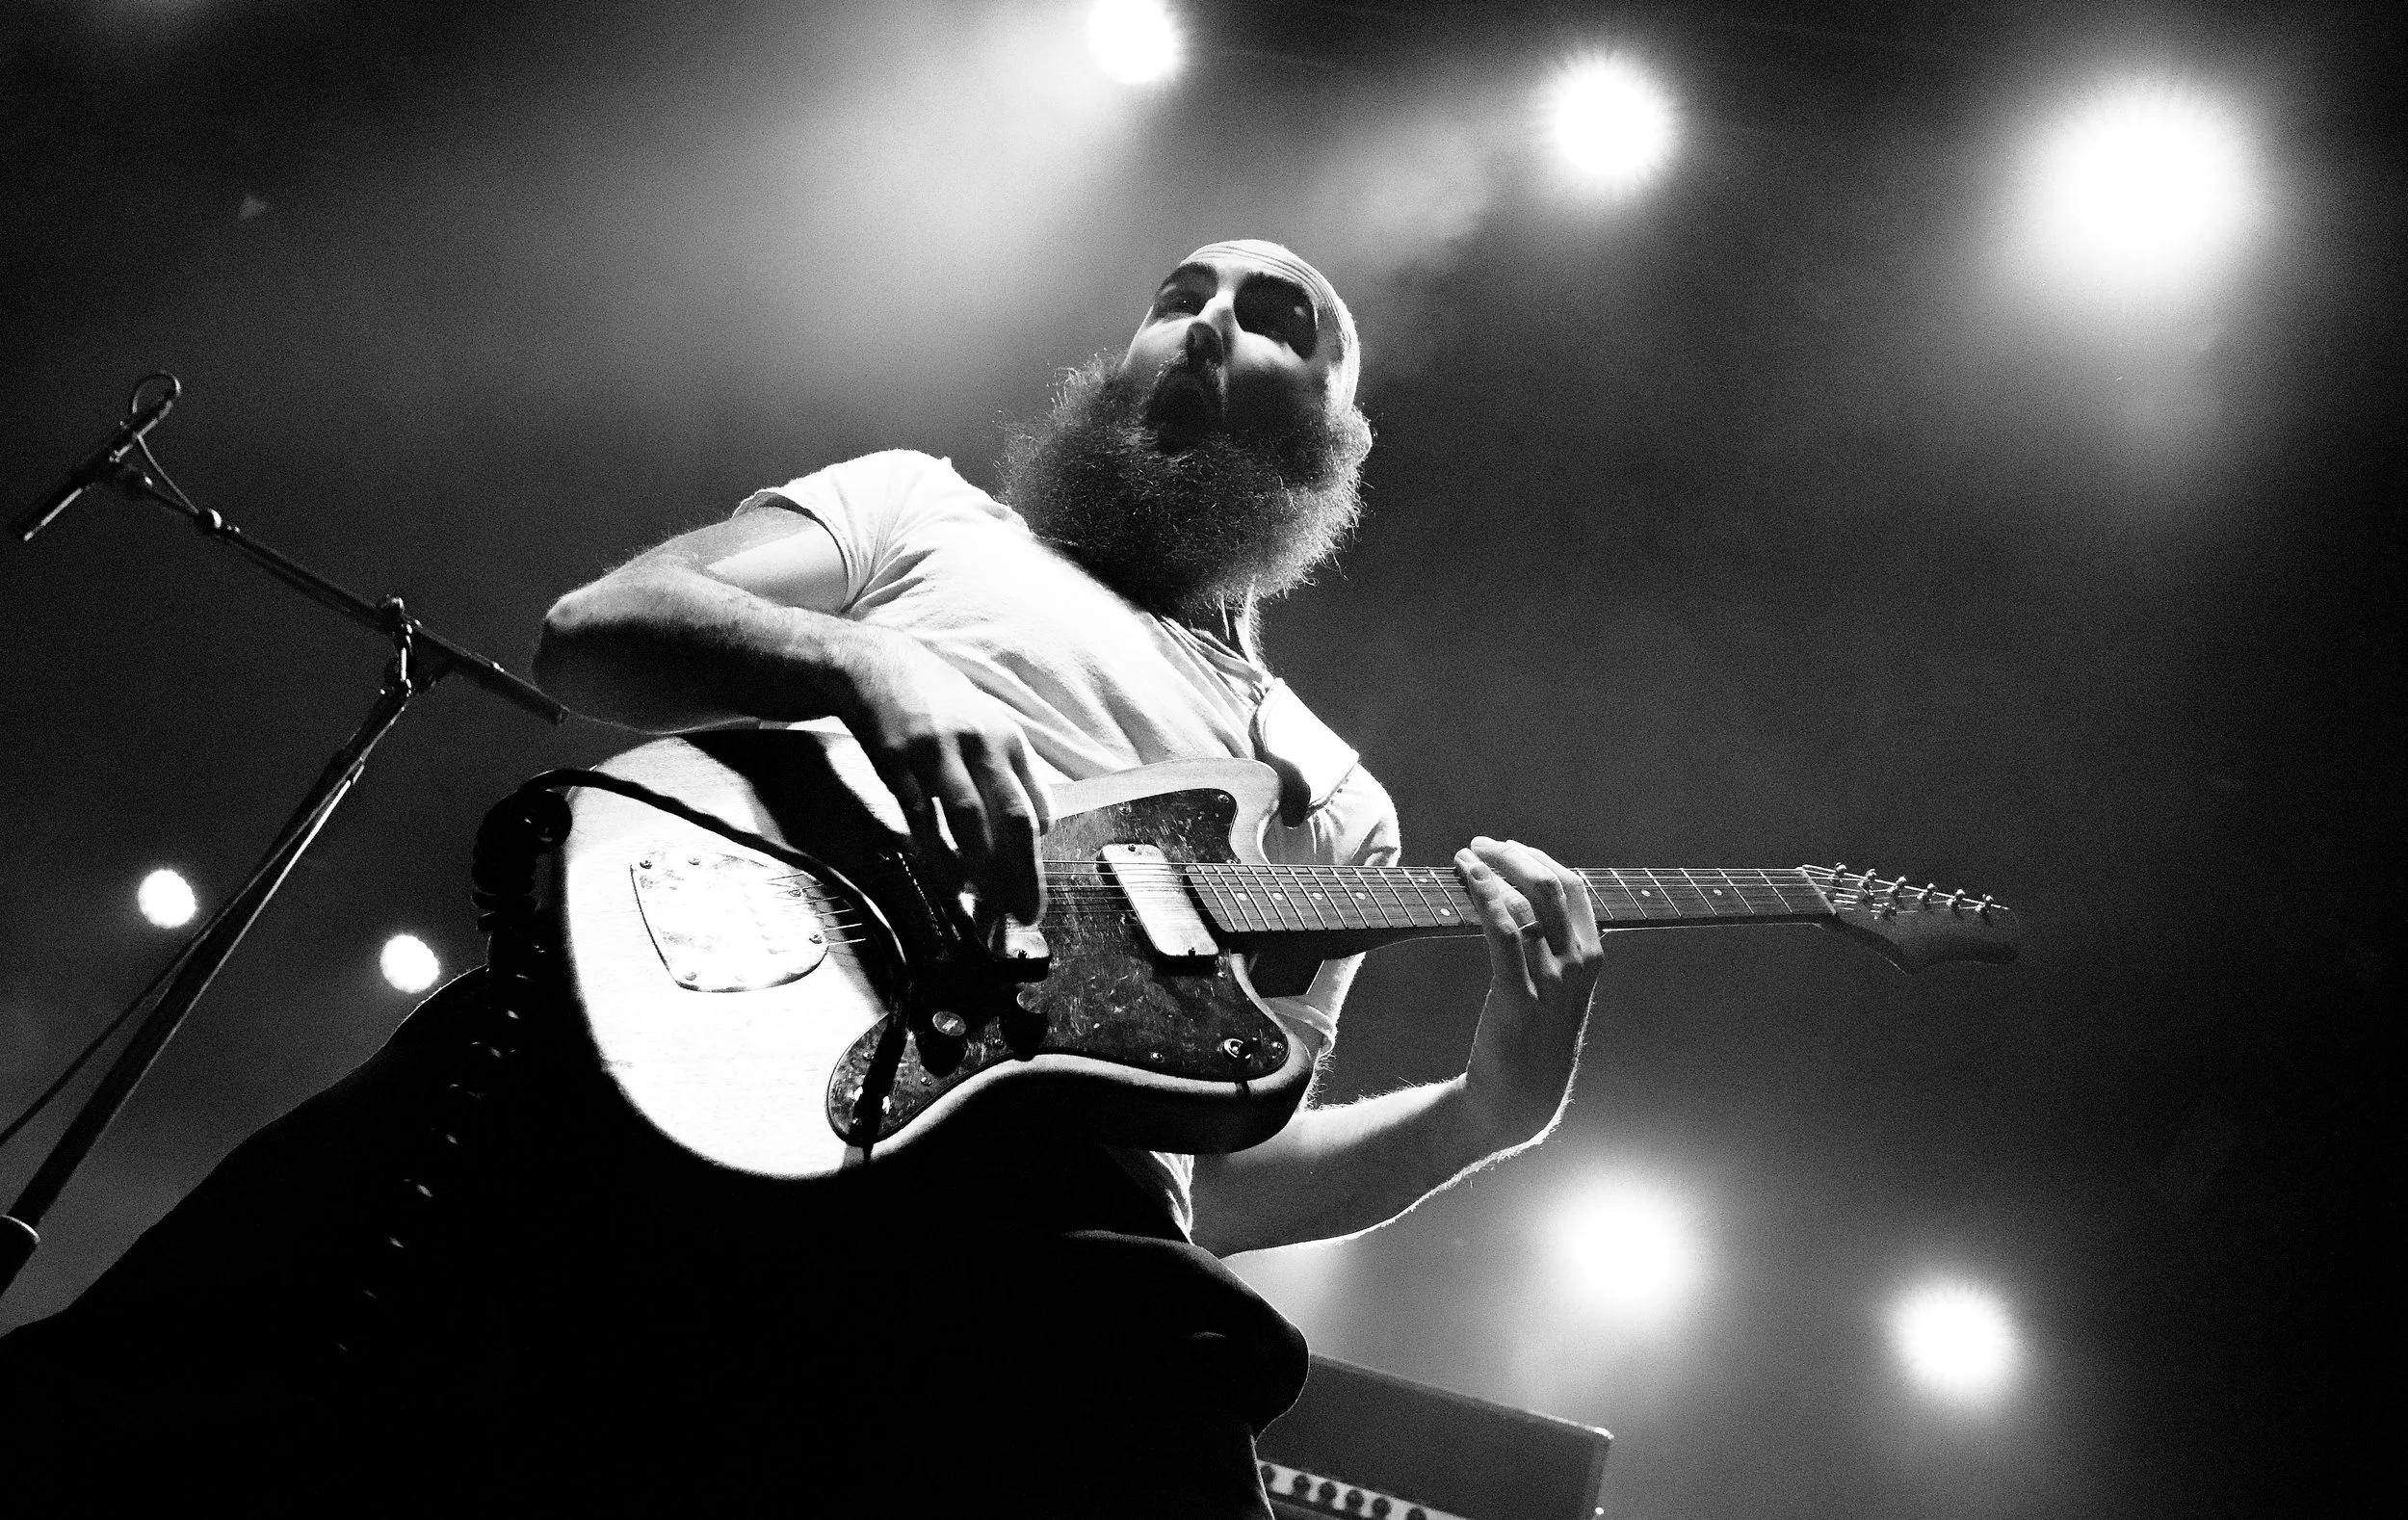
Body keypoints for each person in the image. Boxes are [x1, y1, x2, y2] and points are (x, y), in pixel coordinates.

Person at [0, 241, 1602, 1516]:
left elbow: (1222, 1176)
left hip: (1038, 1228)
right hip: (717, 1023)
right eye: (1180, 292)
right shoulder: (925, 512)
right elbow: (596, 631)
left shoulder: (1329, 795)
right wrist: (862, 667)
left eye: (1277, 317)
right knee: (200, 1372)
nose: (1208, 319)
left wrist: (1483, 1112)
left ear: (1333, 436)